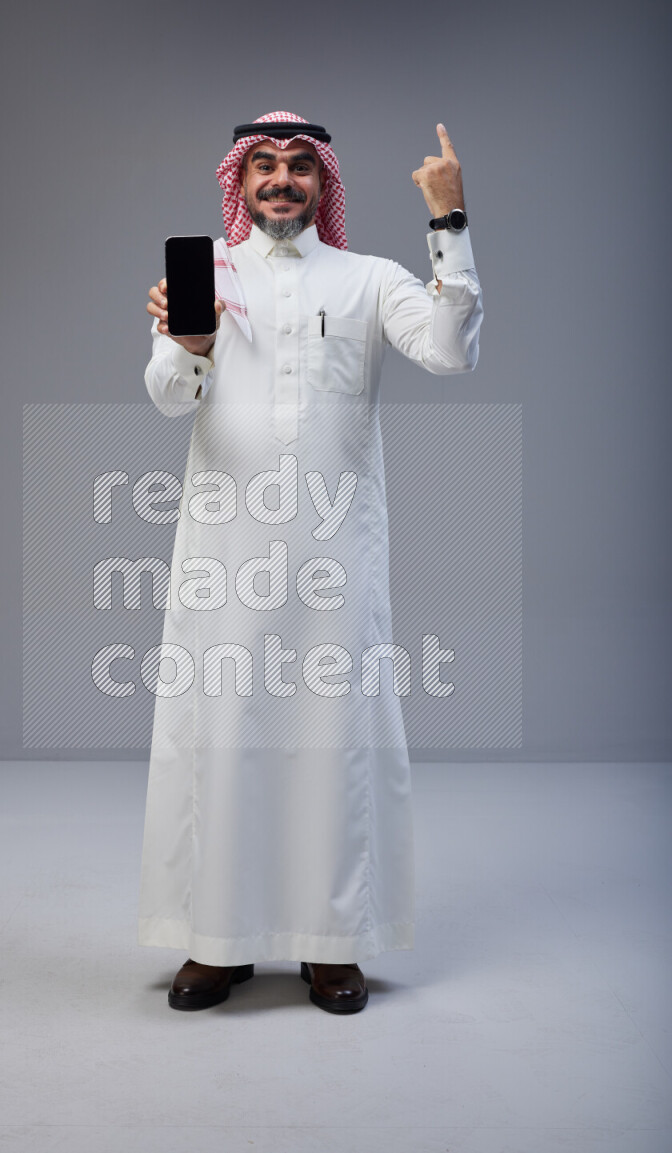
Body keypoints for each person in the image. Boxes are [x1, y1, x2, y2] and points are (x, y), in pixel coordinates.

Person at [139, 111, 483, 1014]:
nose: (282, 180)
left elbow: (449, 353)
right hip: (226, 556)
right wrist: (191, 347)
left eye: (300, 167)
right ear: (240, 182)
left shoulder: (368, 278)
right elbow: (168, 400)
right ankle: (218, 943)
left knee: (335, 743)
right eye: (264, 166)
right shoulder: (205, 274)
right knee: (225, 740)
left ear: (323, 184)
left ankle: (332, 944)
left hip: (336, 557)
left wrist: (449, 223)